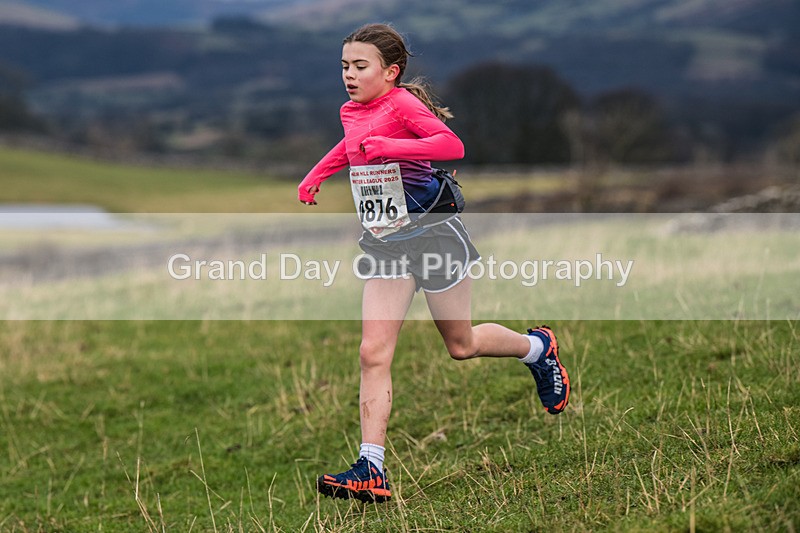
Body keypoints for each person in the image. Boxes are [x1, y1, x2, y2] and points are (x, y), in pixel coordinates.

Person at [297, 23, 570, 504]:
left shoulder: (401, 104)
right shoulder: (349, 110)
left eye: (361, 66)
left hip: (434, 234)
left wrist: (392, 148)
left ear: (391, 72)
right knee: (371, 352)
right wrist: (316, 176)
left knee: (461, 345)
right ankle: (371, 468)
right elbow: (351, 146)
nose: (349, 75)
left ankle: (537, 348)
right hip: (386, 243)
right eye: (344, 66)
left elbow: (450, 146)